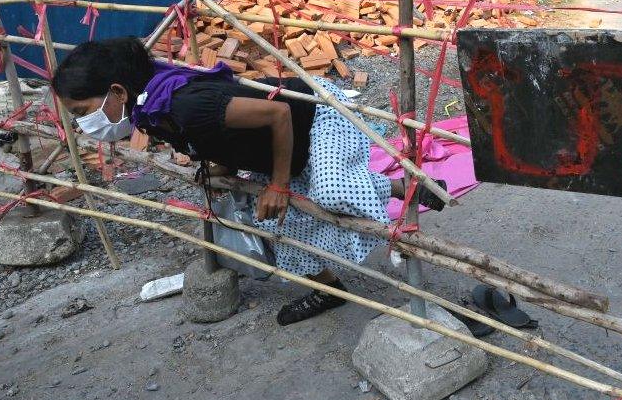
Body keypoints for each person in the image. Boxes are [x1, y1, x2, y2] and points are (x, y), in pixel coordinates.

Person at [51, 37, 445, 325]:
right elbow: (207, 138)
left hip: (315, 115)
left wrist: (277, 185)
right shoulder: (148, 109)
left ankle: (400, 197)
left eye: (83, 110)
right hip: (276, 143)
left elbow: (278, 117)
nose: (82, 123)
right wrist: (224, 167)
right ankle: (330, 290)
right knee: (275, 223)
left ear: (117, 91)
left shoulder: (187, 104)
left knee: (329, 190)